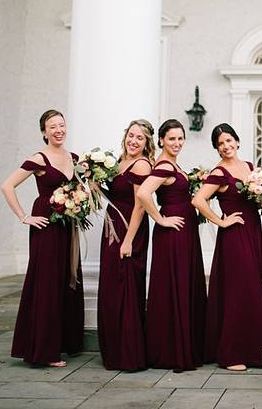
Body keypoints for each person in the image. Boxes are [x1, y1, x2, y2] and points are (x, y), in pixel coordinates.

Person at [0, 109, 83, 367]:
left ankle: (63, 342)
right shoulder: (39, 159)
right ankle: (43, 351)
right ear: (44, 132)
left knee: (65, 281)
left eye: (62, 125)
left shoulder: (75, 157)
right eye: (52, 126)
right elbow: (7, 185)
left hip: (67, 224)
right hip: (46, 224)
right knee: (46, 284)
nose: (59, 130)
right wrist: (24, 216)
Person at [192, 123, 262, 371]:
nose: (226, 146)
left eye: (229, 141)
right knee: (238, 289)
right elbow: (198, 200)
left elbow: (253, 201)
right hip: (234, 235)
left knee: (252, 286)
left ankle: (255, 350)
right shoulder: (219, 172)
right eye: (220, 144)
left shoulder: (248, 167)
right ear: (217, 148)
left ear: (237, 140)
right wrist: (221, 222)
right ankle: (231, 353)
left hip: (252, 231)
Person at [138, 119, 207, 371]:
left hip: (185, 232)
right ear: (161, 141)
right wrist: (161, 219)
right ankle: (170, 351)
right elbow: (144, 194)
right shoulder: (165, 166)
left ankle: (181, 345)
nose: (176, 143)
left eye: (180, 139)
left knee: (181, 285)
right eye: (171, 139)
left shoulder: (173, 164)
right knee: (174, 286)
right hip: (173, 234)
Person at [97, 119, 154, 371]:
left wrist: (128, 240)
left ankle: (128, 354)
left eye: (139, 138)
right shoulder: (120, 161)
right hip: (113, 224)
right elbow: (117, 195)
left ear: (147, 143)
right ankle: (113, 348)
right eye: (131, 136)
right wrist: (97, 186)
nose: (134, 141)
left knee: (126, 284)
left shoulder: (142, 164)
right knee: (111, 285)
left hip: (130, 229)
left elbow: (140, 205)